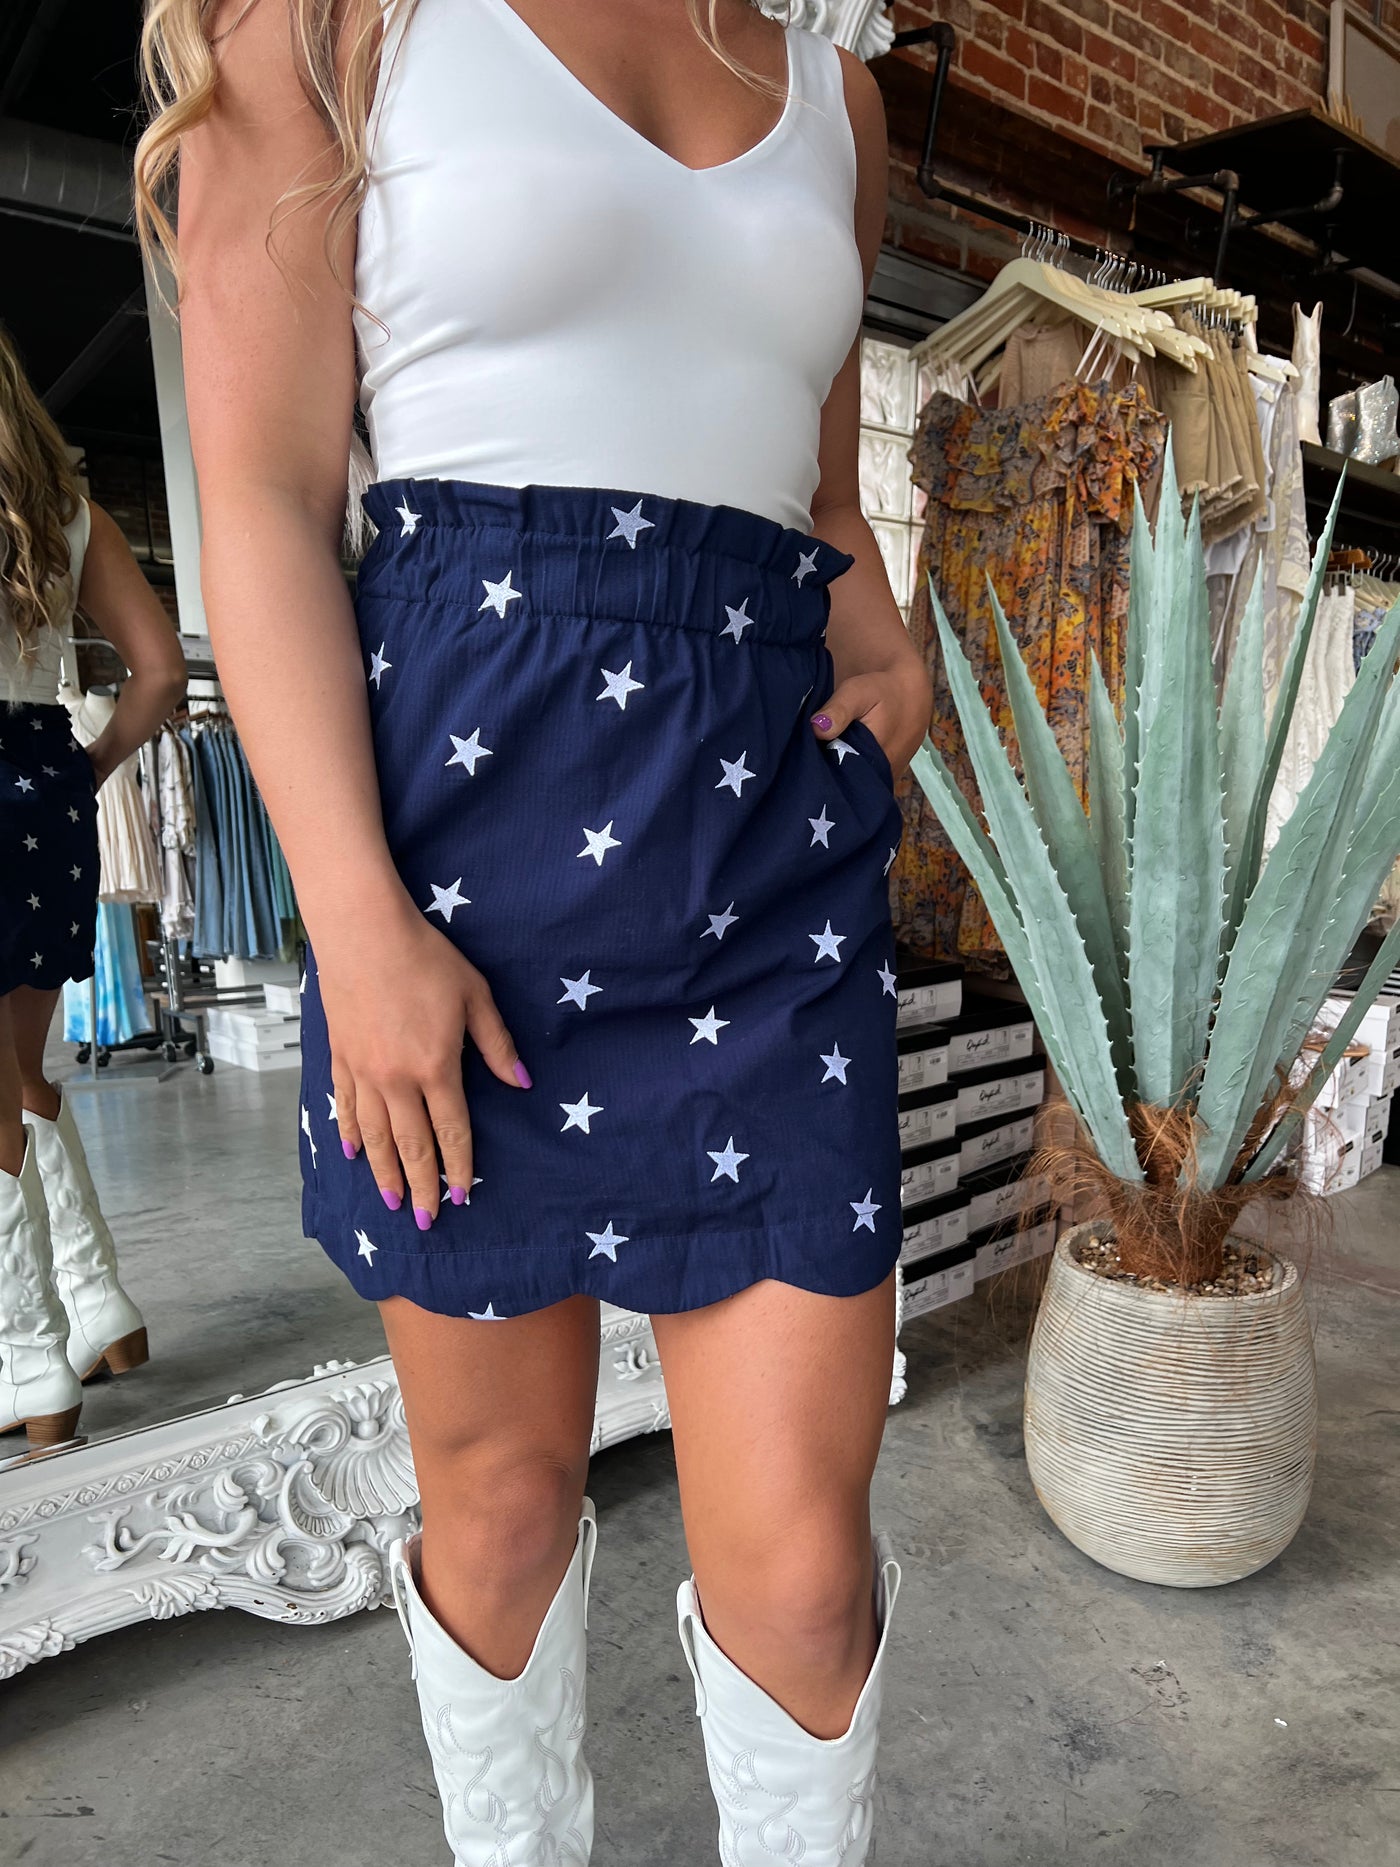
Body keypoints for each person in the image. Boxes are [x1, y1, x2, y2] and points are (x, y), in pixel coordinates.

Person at [134, 1, 932, 1859]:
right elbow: (259, 496)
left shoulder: (840, 99)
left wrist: (884, 636)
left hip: (767, 866)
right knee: (494, 1505)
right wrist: (354, 922)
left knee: (809, 1573)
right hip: (460, 878)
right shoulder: (330, 29)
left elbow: (822, 499)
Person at [0, 324, 187, 1449]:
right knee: (23, 1074)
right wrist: (82, 774)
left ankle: (25, 1358)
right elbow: (160, 673)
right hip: (41, 786)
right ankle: (96, 1301)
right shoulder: (67, 514)